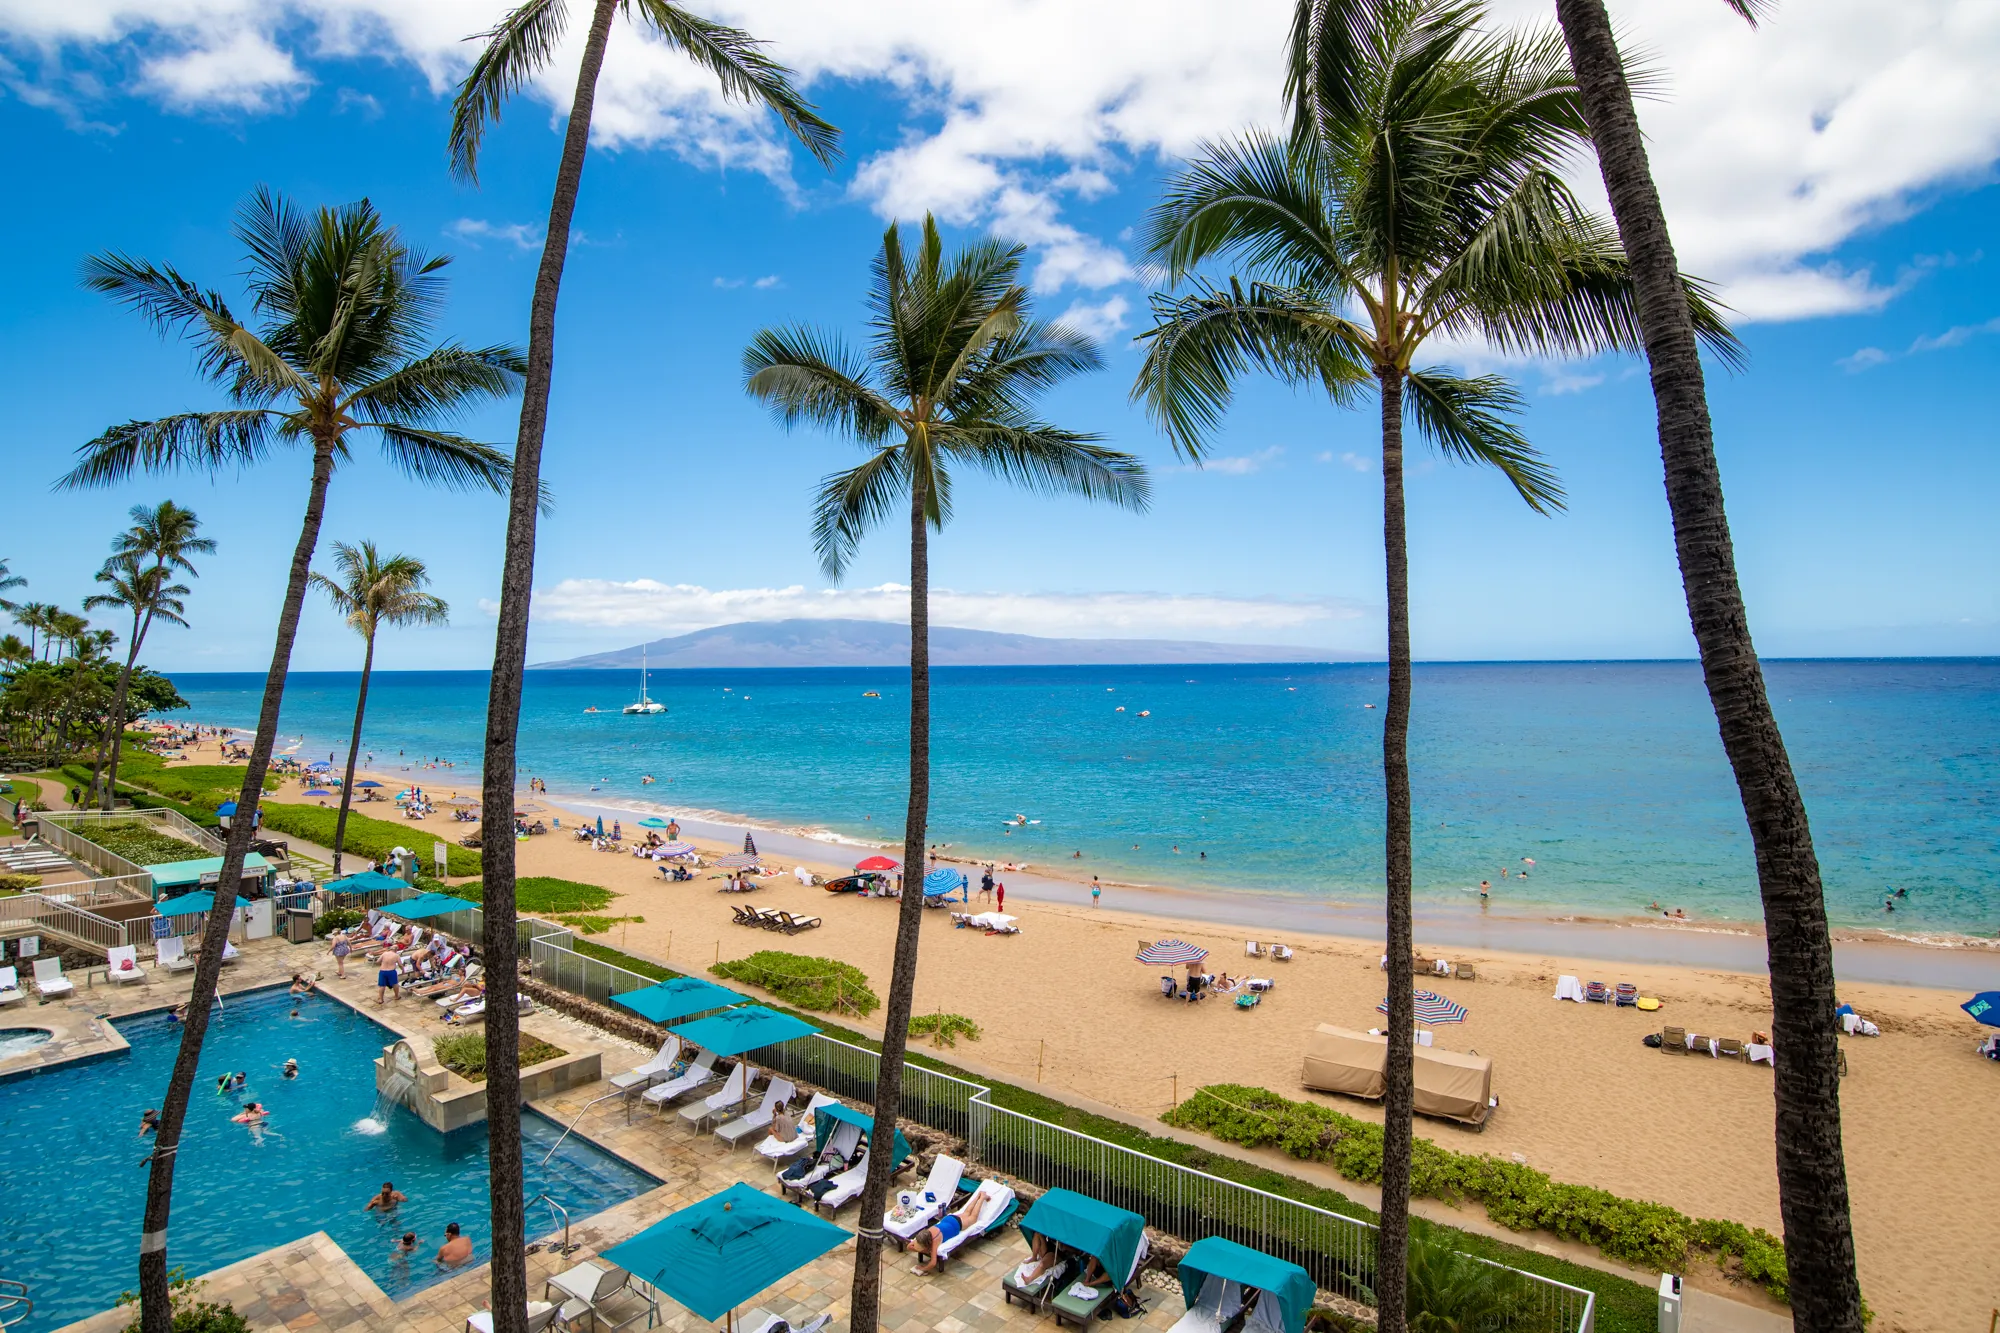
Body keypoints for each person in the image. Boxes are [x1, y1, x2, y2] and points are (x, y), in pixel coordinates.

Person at [912, 1183, 1004, 1276]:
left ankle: (982, 1198)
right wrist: (918, 1247)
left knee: (973, 1217)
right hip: (949, 1219)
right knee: (966, 1213)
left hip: (957, 1225)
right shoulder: (928, 1231)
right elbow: (910, 1246)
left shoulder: (935, 1240)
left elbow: (933, 1262)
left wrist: (923, 1268)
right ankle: (978, 1196)